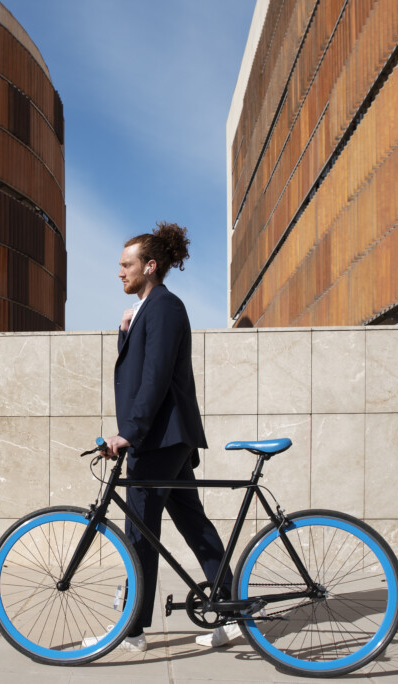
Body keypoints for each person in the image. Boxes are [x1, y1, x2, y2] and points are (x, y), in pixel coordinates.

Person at [102, 222, 240, 652]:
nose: (120, 272)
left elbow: (155, 378)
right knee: (193, 524)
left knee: (139, 531)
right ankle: (233, 613)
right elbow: (143, 367)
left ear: (150, 265)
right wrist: (127, 330)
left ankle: (134, 629)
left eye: (127, 264)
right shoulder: (149, 309)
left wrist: (130, 433)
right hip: (169, 438)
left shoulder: (163, 306)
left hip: (159, 438)